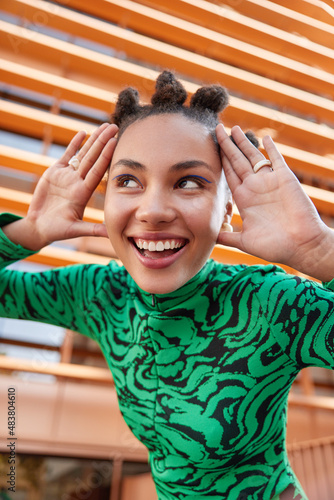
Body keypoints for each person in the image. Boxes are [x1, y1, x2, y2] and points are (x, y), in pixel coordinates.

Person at [0, 71, 333, 500]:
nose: (153, 210)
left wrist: (322, 253)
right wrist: (28, 232)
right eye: (128, 181)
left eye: (188, 182)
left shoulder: (270, 302)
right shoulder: (101, 294)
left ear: (227, 206)